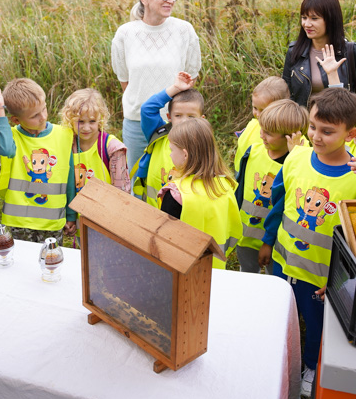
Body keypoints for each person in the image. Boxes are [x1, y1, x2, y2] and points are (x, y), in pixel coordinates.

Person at [258, 88, 356, 399]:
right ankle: (275, 358)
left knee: (317, 327)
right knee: (279, 316)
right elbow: (278, 206)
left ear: (352, 133)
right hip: (282, 265)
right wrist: (267, 241)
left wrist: (339, 282)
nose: (316, 137)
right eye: (312, 127)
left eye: (328, 131)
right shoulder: (296, 158)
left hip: (320, 279)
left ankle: (310, 366)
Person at [111, 0, 202, 171]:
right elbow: (125, 81)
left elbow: (190, 78)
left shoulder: (184, 30)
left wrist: (178, 117)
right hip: (136, 123)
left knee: (173, 178)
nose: (170, 0)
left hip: (175, 123)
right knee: (136, 179)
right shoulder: (125, 33)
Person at [0, 78, 76, 242]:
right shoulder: (13, 136)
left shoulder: (64, 135)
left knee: (50, 263)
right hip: (20, 221)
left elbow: (70, 179)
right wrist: (0, 109)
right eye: (35, 115)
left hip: (52, 222)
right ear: (16, 120)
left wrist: (71, 214)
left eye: (44, 109)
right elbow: (5, 148)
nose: (43, 117)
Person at [235, 99, 308, 273]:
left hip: (275, 243)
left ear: (290, 136)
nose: (261, 135)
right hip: (246, 237)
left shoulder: (298, 165)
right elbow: (240, 188)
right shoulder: (252, 151)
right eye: (262, 129)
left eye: (268, 133)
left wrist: (295, 156)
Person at [158, 118, 241, 269]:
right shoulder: (226, 186)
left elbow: (164, 240)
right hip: (216, 269)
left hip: (181, 271)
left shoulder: (176, 194)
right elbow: (233, 231)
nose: (170, 155)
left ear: (185, 154)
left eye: (171, 150)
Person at [282, 0, 356, 107]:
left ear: (331, 20)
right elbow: (286, 94)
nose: (307, 24)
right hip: (303, 123)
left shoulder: (352, 52)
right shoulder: (295, 51)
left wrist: (350, 110)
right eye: (304, 17)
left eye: (314, 18)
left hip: (341, 121)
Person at [132, 71, 204, 208]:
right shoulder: (159, 134)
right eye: (178, 115)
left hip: (183, 214)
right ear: (169, 117)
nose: (184, 121)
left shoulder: (202, 143)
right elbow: (147, 109)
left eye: (191, 117)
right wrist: (175, 89)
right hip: (152, 208)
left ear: (202, 120)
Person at [59, 88, 129, 194]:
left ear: (101, 119)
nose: (86, 128)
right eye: (80, 121)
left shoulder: (112, 148)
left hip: (105, 207)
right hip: (74, 209)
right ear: (70, 119)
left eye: (92, 121)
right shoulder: (67, 143)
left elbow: (122, 190)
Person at [233, 76, 290, 172]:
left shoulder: (290, 135)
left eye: (263, 110)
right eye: (255, 108)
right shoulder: (252, 126)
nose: (258, 115)